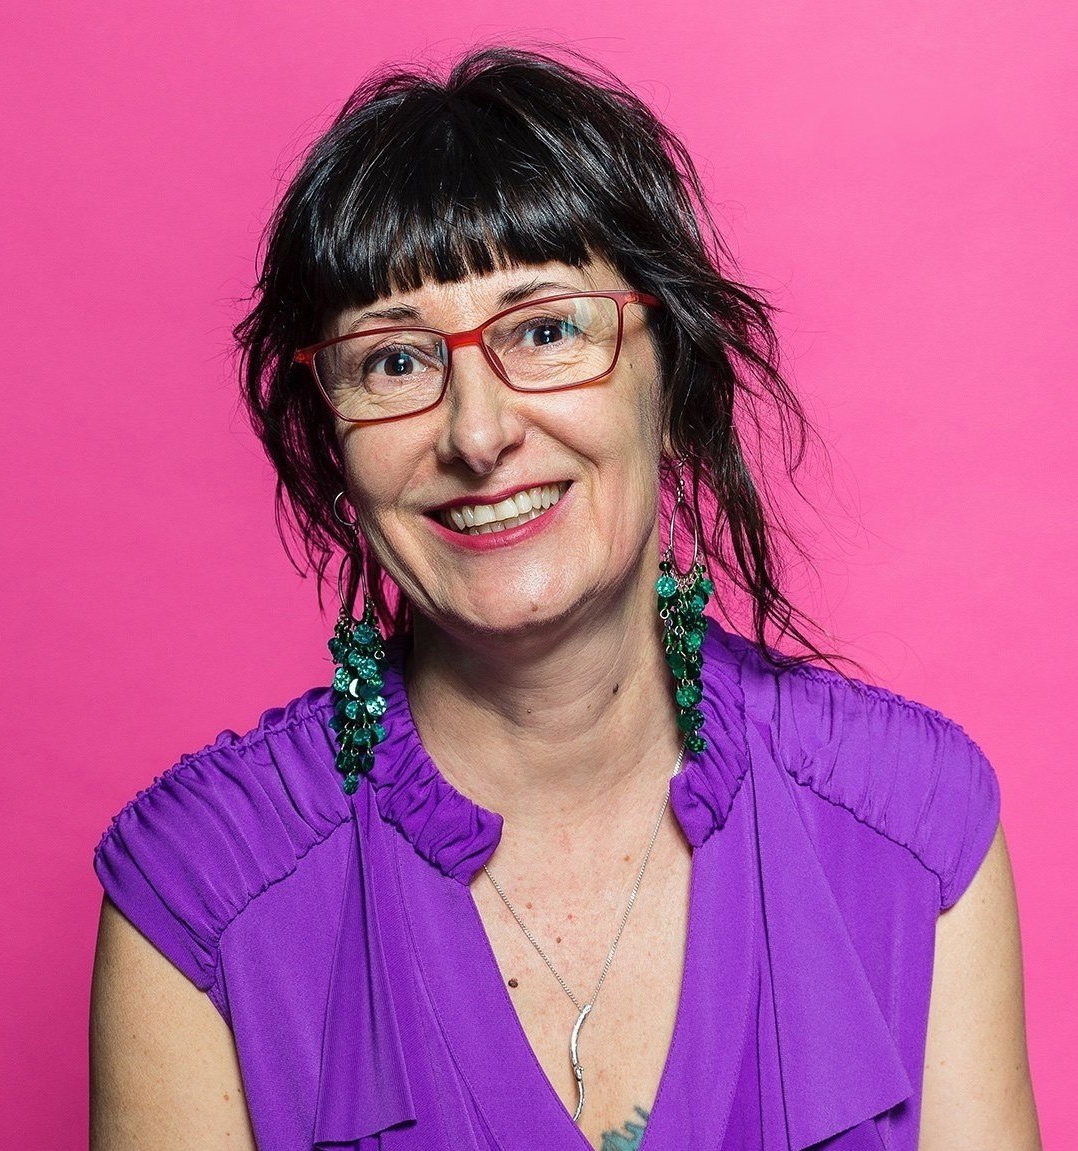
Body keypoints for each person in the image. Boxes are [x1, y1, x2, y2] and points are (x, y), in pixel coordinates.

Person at [89, 47, 1041, 1151]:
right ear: (330, 441)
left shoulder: (910, 826)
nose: (477, 433)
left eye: (544, 330)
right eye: (393, 361)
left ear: (672, 379)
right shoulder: (200, 894)